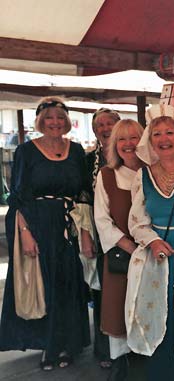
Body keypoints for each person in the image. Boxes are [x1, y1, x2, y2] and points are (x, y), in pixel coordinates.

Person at [0, 96, 91, 370]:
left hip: (68, 226)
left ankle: (68, 344)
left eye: (60, 118)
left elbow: (84, 191)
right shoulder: (26, 152)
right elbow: (17, 196)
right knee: (43, 285)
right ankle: (48, 345)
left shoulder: (75, 151)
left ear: (66, 122)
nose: (55, 122)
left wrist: (85, 233)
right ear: (40, 121)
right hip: (38, 226)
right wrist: (25, 232)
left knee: (68, 285)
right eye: (49, 117)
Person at [126, 104, 174, 380]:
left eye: (169, 132)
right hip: (158, 259)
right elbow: (137, 221)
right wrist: (152, 241)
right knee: (161, 317)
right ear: (150, 140)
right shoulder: (143, 176)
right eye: (157, 134)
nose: (164, 139)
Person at [94, 119, 143, 380]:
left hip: (151, 255)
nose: (128, 144)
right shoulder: (107, 175)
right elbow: (102, 220)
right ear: (115, 144)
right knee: (118, 308)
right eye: (122, 139)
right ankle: (120, 365)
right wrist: (131, 248)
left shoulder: (154, 171)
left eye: (134, 137)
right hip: (121, 257)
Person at [80, 108, 122, 370]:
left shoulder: (133, 153)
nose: (105, 128)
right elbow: (82, 197)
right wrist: (86, 235)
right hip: (98, 231)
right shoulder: (87, 161)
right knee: (103, 290)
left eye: (110, 123)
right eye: (100, 125)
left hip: (130, 229)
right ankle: (105, 349)